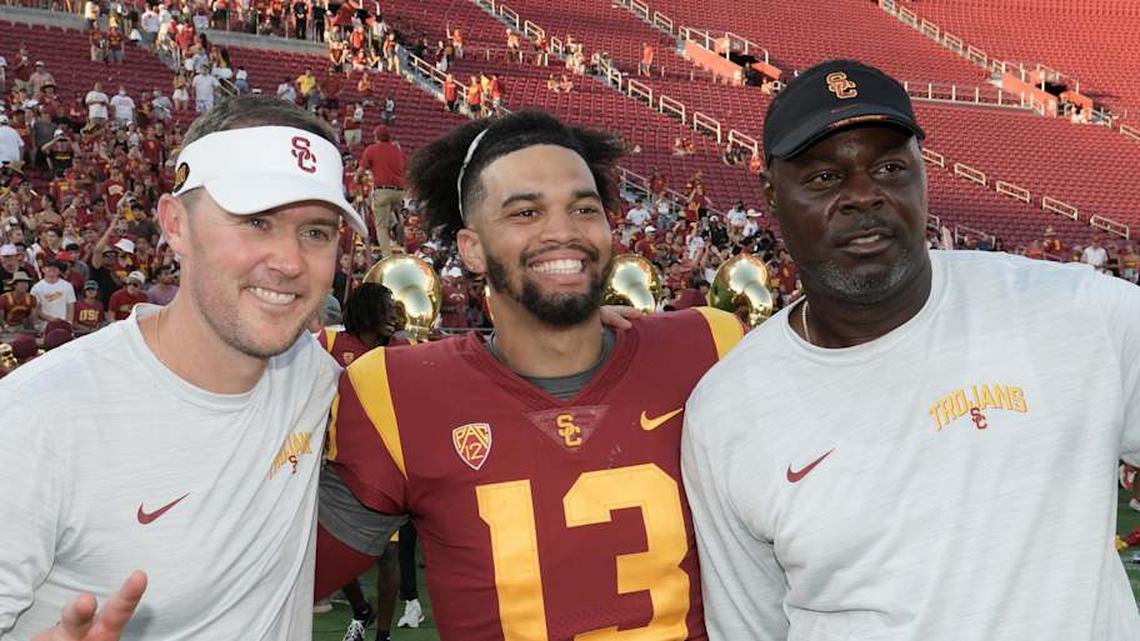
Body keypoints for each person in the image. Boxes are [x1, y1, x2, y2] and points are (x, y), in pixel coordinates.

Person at [682, 59, 1140, 640]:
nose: (863, 196)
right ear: (772, 196)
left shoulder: (1081, 314)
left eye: (890, 167)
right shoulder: (726, 411)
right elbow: (752, 628)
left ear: (926, 175)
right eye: (823, 177)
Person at [314, 110, 745, 640]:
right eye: (525, 213)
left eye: (584, 208)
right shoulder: (396, 392)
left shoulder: (711, 347)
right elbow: (278, 580)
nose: (563, 231)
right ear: (472, 249)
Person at [0, 95, 369, 640]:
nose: (291, 262)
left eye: (316, 231)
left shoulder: (313, 375)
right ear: (175, 224)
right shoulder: (37, 421)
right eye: (256, 220)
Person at [356, 125, 406, 256]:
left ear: (376, 137)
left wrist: (357, 179)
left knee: (381, 226)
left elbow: (361, 171)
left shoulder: (372, 150)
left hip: (383, 191)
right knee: (387, 209)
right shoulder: (397, 150)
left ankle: (386, 256)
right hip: (400, 192)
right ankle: (395, 223)